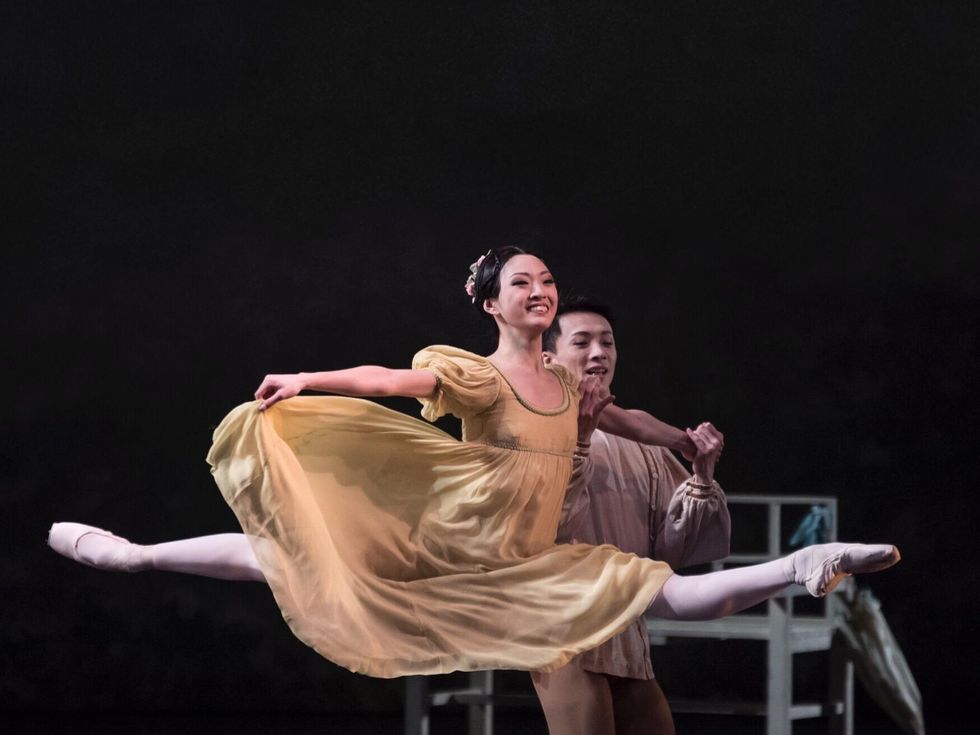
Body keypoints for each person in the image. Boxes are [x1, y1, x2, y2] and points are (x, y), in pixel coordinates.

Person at [47, 246, 900, 683]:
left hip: (521, 555)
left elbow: (632, 418)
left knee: (656, 588)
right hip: (455, 526)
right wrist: (309, 377)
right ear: (491, 302)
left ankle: (801, 564)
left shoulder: (568, 379)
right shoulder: (477, 374)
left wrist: (685, 442)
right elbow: (390, 379)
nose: (541, 291)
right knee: (299, 552)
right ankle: (136, 554)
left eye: (548, 281)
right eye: (523, 283)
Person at [532, 296, 730, 735]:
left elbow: (672, 551)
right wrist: (580, 441)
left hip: (626, 629)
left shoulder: (642, 441)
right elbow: (544, 529)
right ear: (547, 358)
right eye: (582, 342)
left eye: (607, 342)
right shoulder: (535, 432)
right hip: (567, 625)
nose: (599, 352)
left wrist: (700, 477)